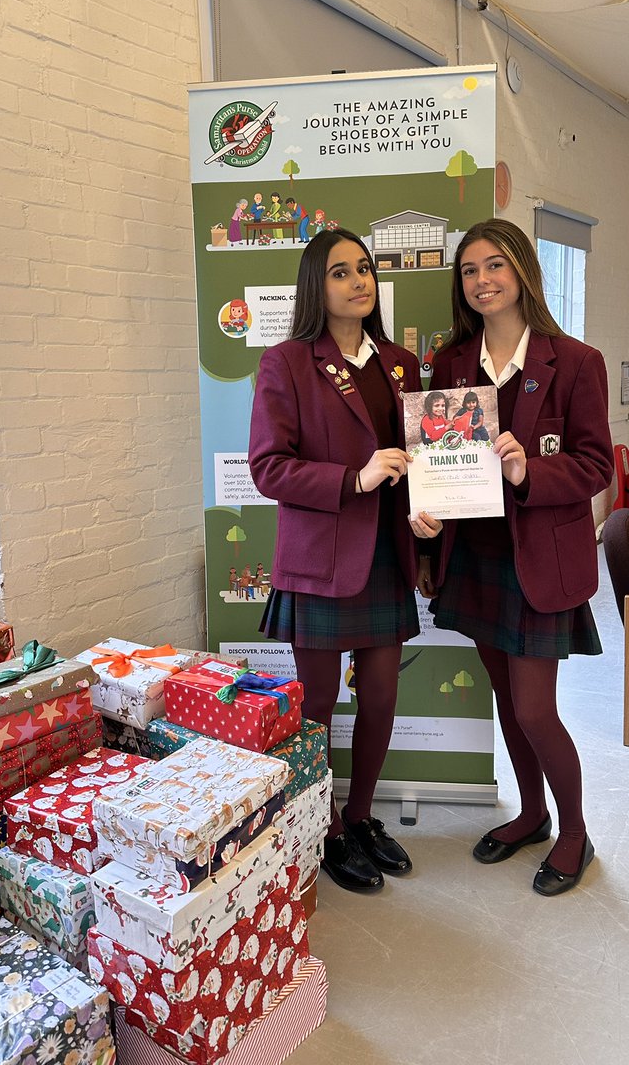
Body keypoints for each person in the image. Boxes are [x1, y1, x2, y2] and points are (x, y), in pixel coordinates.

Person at [416, 219, 613, 896]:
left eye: (495, 265)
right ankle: (530, 813)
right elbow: (438, 461)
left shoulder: (576, 361)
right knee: (505, 696)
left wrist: (529, 471)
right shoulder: (450, 363)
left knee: (535, 710)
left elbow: (593, 466)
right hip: (474, 553)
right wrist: (427, 512)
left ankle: (575, 830)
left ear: (523, 271)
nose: (482, 281)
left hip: (538, 562)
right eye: (469, 270)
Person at [249, 228, 439, 893]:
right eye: (341, 272)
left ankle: (359, 817)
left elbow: (424, 463)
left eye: (365, 270)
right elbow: (270, 469)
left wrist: (428, 516)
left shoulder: (401, 363)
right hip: (321, 561)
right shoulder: (287, 363)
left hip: (386, 555)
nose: (359, 281)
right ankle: (323, 827)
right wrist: (353, 479)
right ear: (315, 285)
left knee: (383, 696)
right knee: (320, 705)